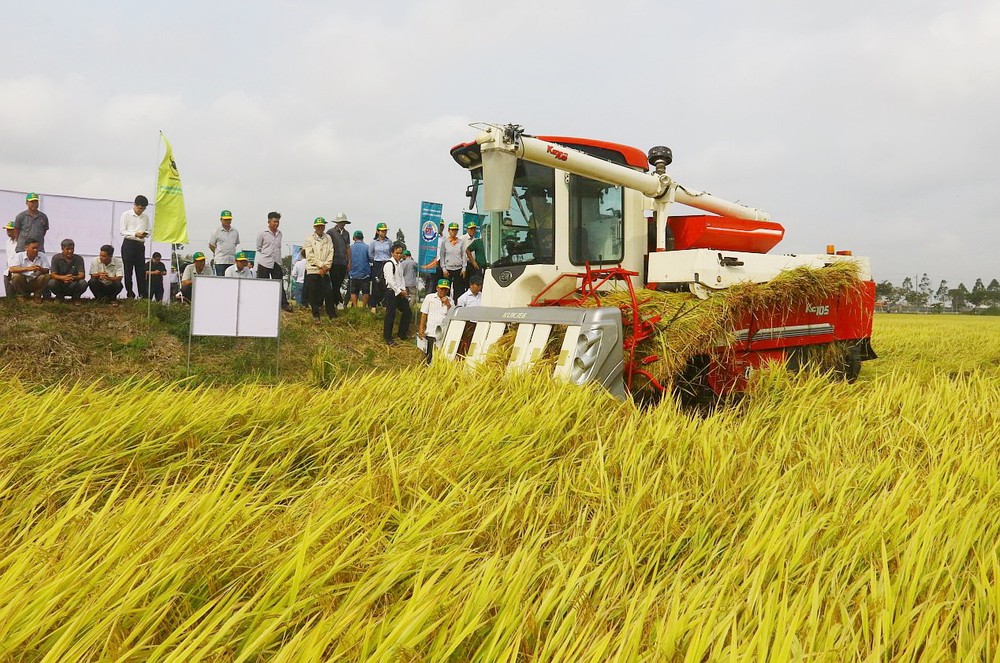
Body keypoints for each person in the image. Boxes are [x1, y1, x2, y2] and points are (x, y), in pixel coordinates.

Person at [255, 211, 292, 312]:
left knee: (279, 284)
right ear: (269, 221)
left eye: (278, 222)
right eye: (274, 221)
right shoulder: (263, 233)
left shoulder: (280, 234)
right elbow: (259, 247)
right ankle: (262, 303)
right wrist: (266, 254)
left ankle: (284, 304)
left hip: (276, 262)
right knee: (263, 284)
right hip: (264, 262)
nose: (276, 224)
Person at [304, 217, 335, 322]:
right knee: (313, 293)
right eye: (318, 226)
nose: (320, 228)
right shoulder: (309, 239)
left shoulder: (328, 238)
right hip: (313, 269)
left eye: (322, 225)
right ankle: (316, 315)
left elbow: (331, 252)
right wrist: (321, 265)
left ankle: (332, 315)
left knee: (328, 293)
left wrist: (326, 267)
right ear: (314, 227)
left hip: (325, 270)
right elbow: (309, 256)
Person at [120, 194, 150, 299]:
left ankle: (143, 294)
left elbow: (149, 230)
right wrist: (134, 234)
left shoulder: (145, 217)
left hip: (140, 244)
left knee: (141, 271)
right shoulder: (126, 215)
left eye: (143, 209)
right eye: (139, 208)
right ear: (135, 205)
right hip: (129, 243)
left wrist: (145, 233)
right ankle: (130, 293)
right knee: (128, 270)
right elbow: (122, 231)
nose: (141, 210)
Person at [418, 279, 453, 364]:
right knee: (429, 356)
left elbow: (452, 316)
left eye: (445, 289)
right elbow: (424, 314)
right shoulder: (430, 298)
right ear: (437, 288)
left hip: (443, 333)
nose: (443, 291)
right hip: (431, 332)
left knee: (440, 356)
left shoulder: (451, 301)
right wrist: (421, 329)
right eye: (441, 289)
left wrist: (448, 304)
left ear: (448, 290)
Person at [382, 242, 411, 344]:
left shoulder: (400, 265)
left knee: (407, 311)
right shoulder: (389, 264)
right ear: (392, 253)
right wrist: (399, 291)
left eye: (400, 253)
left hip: (400, 292)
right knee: (390, 314)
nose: (399, 255)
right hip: (392, 292)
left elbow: (401, 278)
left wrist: (403, 290)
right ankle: (387, 337)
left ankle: (402, 334)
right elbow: (390, 280)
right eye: (397, 253)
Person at [326, 212, 351, 309]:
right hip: (333, 261)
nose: (342, 223)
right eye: (340, 222)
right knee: (334, 282)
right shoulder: (330, 232)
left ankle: (335, 302)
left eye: (343, 222)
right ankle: (338, 302)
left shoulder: (346, 233)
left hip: (343, 262)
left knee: (339, 282)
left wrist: (349, 261)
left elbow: (348, 247)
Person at [439, 221, 468, 301]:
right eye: (452, 230)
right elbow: (442, 256)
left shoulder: (460, 242)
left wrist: (464, 268)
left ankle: (457, 306)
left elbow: (463, 255)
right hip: (448, 269)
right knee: (446, 289)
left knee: (459, 290)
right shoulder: (445, 242)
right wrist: (443, 268)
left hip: (458, 268)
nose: (454, 232)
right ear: (449, 231)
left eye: (456, 230)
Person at [369, 222, 392, 312]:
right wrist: (375, 261)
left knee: (386, 283)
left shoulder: (389, 242)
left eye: (385, 231)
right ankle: (373, 305)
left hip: (387, 263)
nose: (384, 233)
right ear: (377, 232)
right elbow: (370, 255)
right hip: (377, 263)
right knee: (376, 283)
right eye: (382, 231)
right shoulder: (373, 242)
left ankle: (385, 304)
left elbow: (391, 252)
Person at [208, 209, 239, 276]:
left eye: (229, 219)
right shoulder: (216, 231)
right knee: (221, 281)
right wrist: (217, 252)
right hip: (220, 261)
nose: (227, 221)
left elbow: (235, 244)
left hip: (232, 260)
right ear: (221, 219)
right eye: (225, 219)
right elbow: (211, 245)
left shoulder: (235, 231)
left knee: (231, 281)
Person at [347, 230, 371, 308]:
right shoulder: (367, 247)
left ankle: (355, 306)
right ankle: (364, 307)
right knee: (366, 292)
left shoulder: (350, 248)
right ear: (362, 238)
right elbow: (370, 259)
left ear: (354, 238)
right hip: (365, 273)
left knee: (353, 292)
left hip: (353, 273)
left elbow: (347, 259)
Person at [4, 221, 16, 296]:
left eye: (10, 230)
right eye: (7, 230)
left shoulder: (21, 242)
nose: (8, 232)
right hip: (8, 270)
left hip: (17, 271)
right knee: (9, 294)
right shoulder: (7, 242)